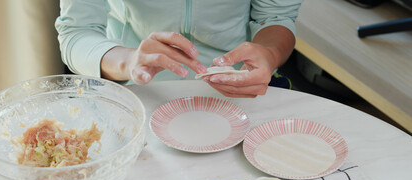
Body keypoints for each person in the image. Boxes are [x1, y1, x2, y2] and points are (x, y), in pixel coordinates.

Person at [55, 0, 303, 98]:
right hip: (133, 92)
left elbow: (275, 16)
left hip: (240, 91)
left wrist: (268, 54)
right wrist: (129, 62)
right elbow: (77, 32)